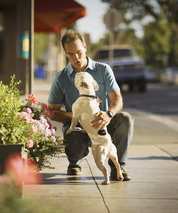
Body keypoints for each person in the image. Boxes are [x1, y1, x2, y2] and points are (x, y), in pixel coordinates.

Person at [48, 29, 134, 181]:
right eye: (70, 54)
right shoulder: (60, 78)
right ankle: (75, 163)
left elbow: (117, 99)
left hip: (102, 125)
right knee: (73, 142)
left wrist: (108, 114)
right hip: (77, 128)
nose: (76, 57)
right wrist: (79, 117)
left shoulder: (103, 70)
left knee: (125, 119)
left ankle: (118, 166)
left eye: (79, 52)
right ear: (65, 54)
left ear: (85, 47)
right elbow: (53, 111)